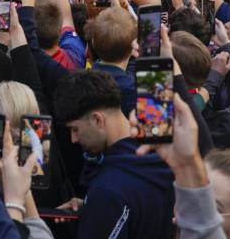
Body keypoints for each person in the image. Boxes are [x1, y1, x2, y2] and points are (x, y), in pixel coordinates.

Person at [54, 70, 176, 238]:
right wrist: (91, 208)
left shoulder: (107, 192)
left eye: (75, 129)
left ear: (98, 120)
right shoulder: (161, 149)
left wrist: (100, 208)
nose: (73, 139)